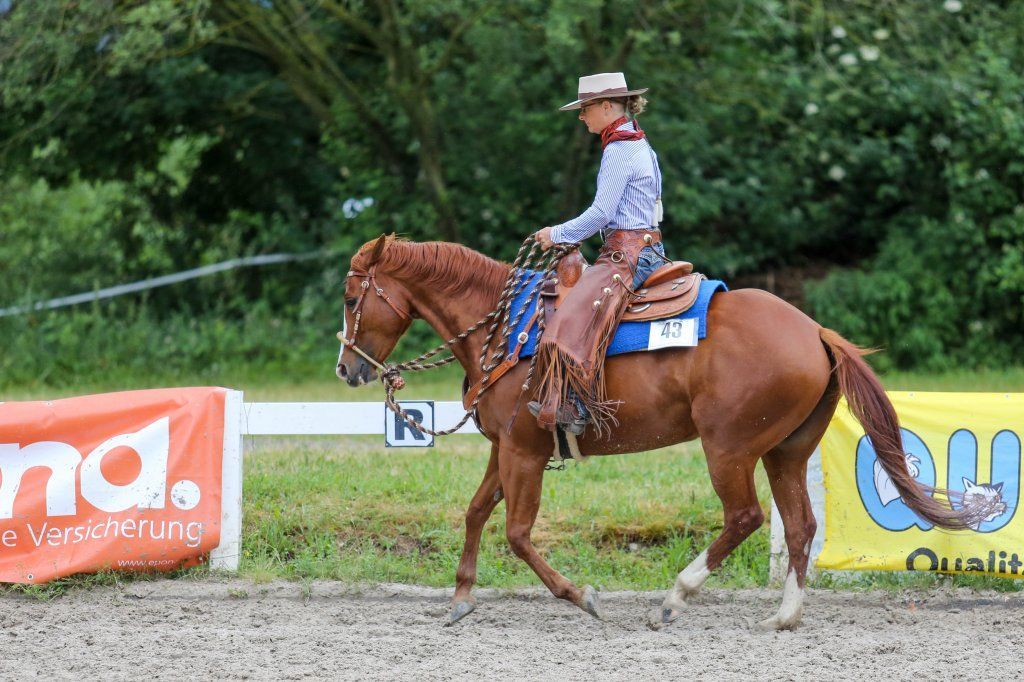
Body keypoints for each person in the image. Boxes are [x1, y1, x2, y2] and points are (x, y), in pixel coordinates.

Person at [530, 72, 667, 436]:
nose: (581, 116)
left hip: (628, 254)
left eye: (585, 108)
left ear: (607, 107)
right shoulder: (639, 143)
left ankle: (575, 404)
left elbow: (601, 214)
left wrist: (555, 233)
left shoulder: (619, 150)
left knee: (572, 313)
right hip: (648, 247)